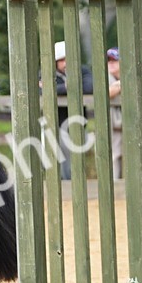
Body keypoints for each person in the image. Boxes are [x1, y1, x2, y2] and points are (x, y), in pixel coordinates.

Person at [49, 40, 94, 179]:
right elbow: (43, 91)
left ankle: (78, 183)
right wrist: (68, 87)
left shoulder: (83, 70)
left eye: (68, 58)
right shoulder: (46, 72)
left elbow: (89, 87)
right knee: (61, 159)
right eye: (61, 60)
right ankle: (67, 185)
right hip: (56, 124)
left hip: (78, 124)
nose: (65, 63)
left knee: (77, 158)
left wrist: (64, 86)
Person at [105, 47, 124, 179]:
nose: (111, 63)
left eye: (114, 60)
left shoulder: (130, 75)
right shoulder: (104, 77)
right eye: (108, 61)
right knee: (112, 157)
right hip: (109, 126)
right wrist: (120, 85)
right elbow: (107, 93)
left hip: (128, 125)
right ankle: (114, 188)